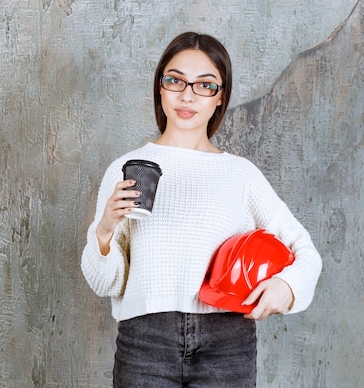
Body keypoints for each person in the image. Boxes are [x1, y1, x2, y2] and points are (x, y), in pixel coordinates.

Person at [81, 32, 322, 388]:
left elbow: (307, 254)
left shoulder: (241, 175)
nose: (187, 94)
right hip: (146, 341)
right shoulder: (128, 169)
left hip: (227, 343)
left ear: (220, 96)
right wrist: (104, 231)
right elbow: (106, 282)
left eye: (205, 85)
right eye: (175, 80)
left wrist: (286, 287)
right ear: (160, 86)